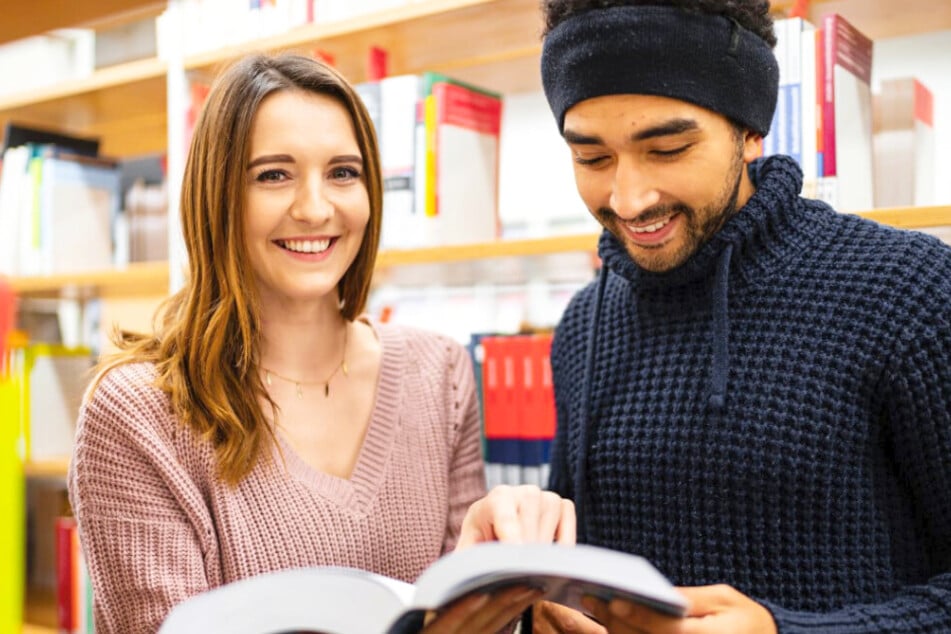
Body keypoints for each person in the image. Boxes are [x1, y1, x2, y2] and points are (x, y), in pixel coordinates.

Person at [67, 52, 574, 634]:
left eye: (343, 172)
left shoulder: (440, 373)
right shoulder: (138, 413)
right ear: (218, 196)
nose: (315, 208)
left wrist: (500, 580)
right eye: (273, 174)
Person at [531, 1, 951, 633]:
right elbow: (578, 565)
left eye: (668, 149)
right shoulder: (585, 324)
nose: (628, 198)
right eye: (592, 159)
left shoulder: (909, 292)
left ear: (752, 130)